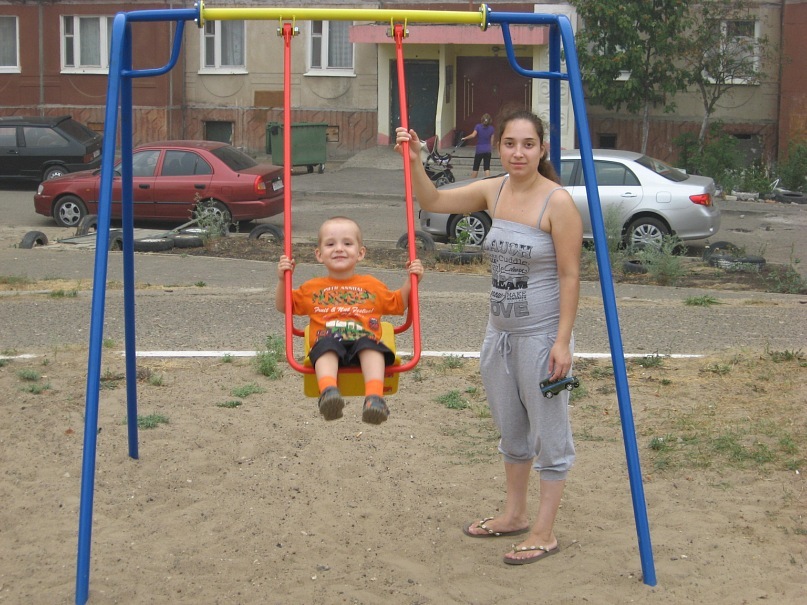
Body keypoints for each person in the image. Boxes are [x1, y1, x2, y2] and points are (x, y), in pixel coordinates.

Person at [395, 110, 582, 565]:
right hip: (499, 334)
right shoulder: (493, 190)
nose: (519, 152)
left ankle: (544, 532)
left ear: (541, 149)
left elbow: (570, 275)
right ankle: (515, 514)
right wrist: (415, 158)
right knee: (512, 429)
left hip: (541, 337)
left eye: (528, 144)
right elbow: (433, 200)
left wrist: (562, 342)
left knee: (550, 435)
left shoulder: (557, 202)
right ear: (498, 147)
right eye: (510, 143)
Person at [276, 216, 424, 425]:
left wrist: (412, 280)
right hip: (328, 339)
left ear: (360, 253)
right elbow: (284, 306)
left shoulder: (371, 285)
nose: (339, 249)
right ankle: (329, 393)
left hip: (362, 339)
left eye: (347, 243)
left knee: (371, 346)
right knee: (324, 346)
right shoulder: (311, 288)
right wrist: (283, 279)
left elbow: (398, 303)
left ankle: (374, 398)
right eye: (330, 244)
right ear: (319, 254)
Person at [461, 113, 495, 178]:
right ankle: (488, 181)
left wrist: (465, 138)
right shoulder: (492, 128)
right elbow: (492, 141)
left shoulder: (478, 126)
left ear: (482, 119)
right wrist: (490, 147)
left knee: (475, 168)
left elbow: (473, 135)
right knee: (487, 168)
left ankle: (471, 182)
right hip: (487, 150)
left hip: (479, 150)